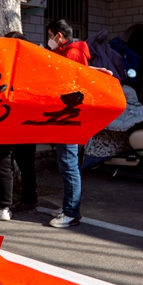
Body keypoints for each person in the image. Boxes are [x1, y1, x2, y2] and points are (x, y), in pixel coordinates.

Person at [46, 19, 91, 228]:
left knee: (69, 164)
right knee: (67, 163)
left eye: (50, 35)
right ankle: (69, 206)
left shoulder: (71, 53)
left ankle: (72, 212)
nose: (49, 40)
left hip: (69, 115)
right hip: (68, 115)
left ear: (59, 36)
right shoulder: (70, 51)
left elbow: (67, 86)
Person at [4, 31, 38, 212]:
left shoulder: (21, 68)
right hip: (22, 122)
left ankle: (28, 199)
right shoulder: (29, 66)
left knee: (23, 162)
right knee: (23, 162)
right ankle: (26, 198)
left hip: (22, 122)